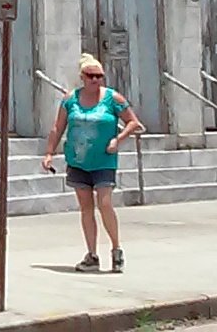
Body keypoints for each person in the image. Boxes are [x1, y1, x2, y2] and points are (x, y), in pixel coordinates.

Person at [41, 52, 145, 274]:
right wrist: (49, 153)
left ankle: (116, 249)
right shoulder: (70, 99)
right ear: (82, 76)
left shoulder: (112, 98)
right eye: (90, 76)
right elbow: (57, 127)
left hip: (104, 159)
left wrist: (118, 139)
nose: (95, 80)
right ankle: (92, 254)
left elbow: (134, 122)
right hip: (78, 159)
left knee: (105, 203)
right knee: (86, 207)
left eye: (99, 76)